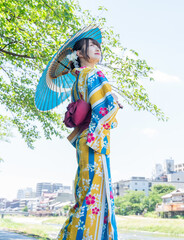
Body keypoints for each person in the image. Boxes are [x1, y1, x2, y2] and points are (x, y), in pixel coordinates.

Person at [56, 38, 121, 240]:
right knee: (96, 196)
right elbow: (106, 107)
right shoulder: (93, 73)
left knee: (85, 193)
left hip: (84, 140)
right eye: (92, 46)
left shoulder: (77, 81)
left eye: (98, 46)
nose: (97, 49)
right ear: (79, 54)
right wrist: (116, 102)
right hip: (94, 140)